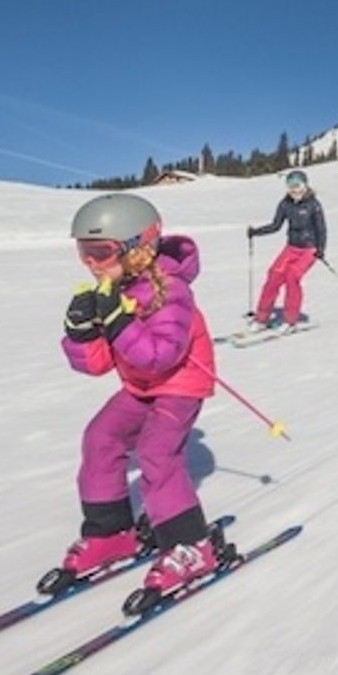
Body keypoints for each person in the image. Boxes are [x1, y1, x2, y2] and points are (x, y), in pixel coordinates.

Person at [53, 193, 221, 597]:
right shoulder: (112, 290)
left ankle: (192, 546)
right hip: (139, 388)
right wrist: (82, 333)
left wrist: (118, 322)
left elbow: (160, 358)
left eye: (101, 251)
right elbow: (95, 365)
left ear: (139, 249)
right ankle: (111, 532)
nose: (92, 263)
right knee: (100, 437)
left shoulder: (171, 292)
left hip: (178, 386)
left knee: (156, 452)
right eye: (83, 252)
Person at [246, 169, 327, 330]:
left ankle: (290, 320)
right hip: (291, 247)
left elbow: (321, 229)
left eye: (296, 185)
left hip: (309, 249)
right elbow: (275, 226)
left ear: (304, 185)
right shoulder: (285, 204)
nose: (293, 190)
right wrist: (256, 232)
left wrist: (321, 248)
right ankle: (261, 318)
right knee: (274, 276)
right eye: (290, 186)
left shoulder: (313, 204)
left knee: (292, 276)